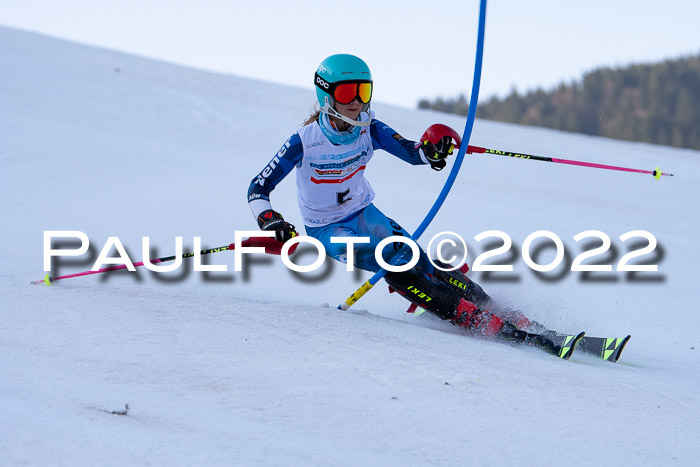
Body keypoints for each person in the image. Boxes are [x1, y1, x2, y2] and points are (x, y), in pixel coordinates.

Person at [247, 54, 529, 341]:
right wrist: (271, 221)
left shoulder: (370, 129)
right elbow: (258, 186)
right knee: (391, 263)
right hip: (326, 228)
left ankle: (495, 309)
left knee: (419, 261)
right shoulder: (305, 140)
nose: (357, 101)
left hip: (365, 214)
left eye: (363, 90)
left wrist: (434, 148)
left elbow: (413, 153)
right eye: (347, 92)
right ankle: (477, 320)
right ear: (326, 95)